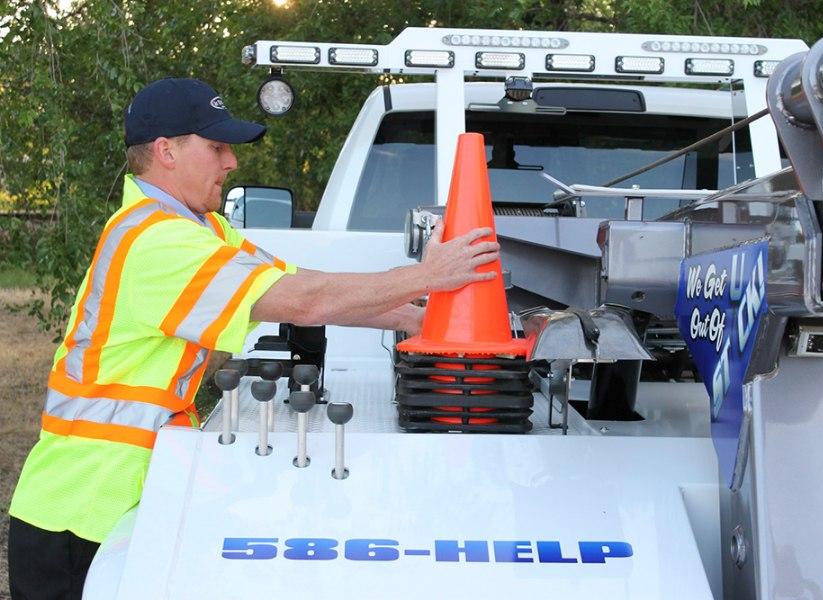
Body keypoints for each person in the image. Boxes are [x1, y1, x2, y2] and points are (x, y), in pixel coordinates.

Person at [6, 78, 498, 599]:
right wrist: (427, 277)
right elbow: (303, 301)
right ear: (165, 151)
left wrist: (414, 319)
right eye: (217, 147)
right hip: (79, 510)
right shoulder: (156, 242)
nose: (232, 163)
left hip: (112, 499)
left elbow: (298, 283)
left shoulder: (201, 230)